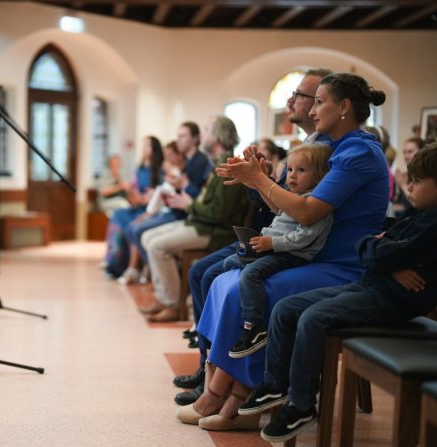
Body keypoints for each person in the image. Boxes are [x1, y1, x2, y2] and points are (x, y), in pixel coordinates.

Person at [176, 72, 388, 432]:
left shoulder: (358, 151)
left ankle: (238, 400)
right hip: (313, 254)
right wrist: (262, 178)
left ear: (345, 107)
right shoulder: (333, 148)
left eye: (320, 101)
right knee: (226, 280)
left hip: (342, 265)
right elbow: (295, 209)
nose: (315, 109)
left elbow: (307, 211)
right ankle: (219, 387)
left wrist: (259, 181)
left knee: (256, 286)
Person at [240, 142, 437, 442]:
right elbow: (368, 246)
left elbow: (377, 251)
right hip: (371, 285)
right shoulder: (416, 216)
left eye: (418, 181)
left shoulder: (432, 225)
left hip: (391, 301)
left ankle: (302, 404)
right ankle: (275, 384)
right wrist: (387, 257)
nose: (408, 186)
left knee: (313, 318)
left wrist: (384, 255)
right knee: (286, 308)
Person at [173, 68, 332, 406]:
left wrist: (260, 181)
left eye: (305, 96)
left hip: (280, 242)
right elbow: (278, 207)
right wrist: (261, 179)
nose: (291, 99)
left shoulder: (327, 153)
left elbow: (300, 215)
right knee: (203, 271)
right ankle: (208, 366)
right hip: (268, 233)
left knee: (216, 273)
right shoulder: (308, 147)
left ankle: (224, 371)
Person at [222, 143, 333, 358]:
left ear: (320, 176)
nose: (292, 176)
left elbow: (305, 237)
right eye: (290, 169)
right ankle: (235, 312)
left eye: (301, 170)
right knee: (229, 263)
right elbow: (278, 209)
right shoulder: (294, 197)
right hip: (274, 247)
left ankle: (254, 326)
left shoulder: (317, 204)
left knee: (251, 274)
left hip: (292, 255)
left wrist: (273, 244)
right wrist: (258, 184)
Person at [139, 116, 251, 322]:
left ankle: (172, 304)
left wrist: (188, 204)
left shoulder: (229, 165)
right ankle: (164, 299)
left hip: (215, 232)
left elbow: (219, 213)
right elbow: (207, 203)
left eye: (207, 130)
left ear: (217, 136)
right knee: (147, 237)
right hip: (202, 224)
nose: (203, 135)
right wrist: (187, 201)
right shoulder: (218, 163)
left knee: (157, 246)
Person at [118, 124, 211, 284]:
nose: (178, 139)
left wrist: (180, 185)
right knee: (134, 228)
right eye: (178, 135)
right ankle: (158, 275)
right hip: (175, 210)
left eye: (183, 136)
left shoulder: (199, 161)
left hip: (184, 215)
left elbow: (194, 194)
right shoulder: (190, 161)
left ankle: (163, 280)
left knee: (140, 231)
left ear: (195, 139)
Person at [103, 136, 163, 278]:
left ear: (154, 149)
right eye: (143, 145)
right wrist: (134, 195)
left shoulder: (160, 170)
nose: (143, 148)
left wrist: (147, 199)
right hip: (137, 206)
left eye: (147, 145)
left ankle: (131, 267)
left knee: (134, 224)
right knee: (118, 214)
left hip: (151, 209)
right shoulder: (139, 169)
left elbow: (160, 193)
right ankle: (113, 261)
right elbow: (133, 190)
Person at [393, 136, 426, 218]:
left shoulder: (425, 174)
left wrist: (402, 184)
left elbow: (420, 202)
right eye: (404, 152)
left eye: (410, 151)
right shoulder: (406, 174)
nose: (406, 156)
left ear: (421, 151)